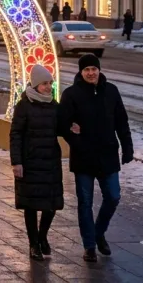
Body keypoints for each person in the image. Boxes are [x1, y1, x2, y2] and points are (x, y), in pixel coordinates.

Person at [59, 54, 133, 263]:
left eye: (94, 69)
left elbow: (122, 121)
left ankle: (98, 232)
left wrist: (127, 148)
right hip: (84, 157)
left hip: (108, 154)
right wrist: (76, 139)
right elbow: (63, 124)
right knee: (85, 202)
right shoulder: (71, 94)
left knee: (113, 196)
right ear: (80, 73)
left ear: (99, 70)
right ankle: (89, 246)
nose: (91, 73)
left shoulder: (111, 91)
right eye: (86, 70)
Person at [10, 64, 63, 261]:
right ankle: (33, 243)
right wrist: (17, 162)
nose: (48, 87)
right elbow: (15, 134)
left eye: (50, 83)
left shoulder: (53, 104)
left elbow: (60, 127)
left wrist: (71, 127)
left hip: (50, 162)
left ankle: (43, 237)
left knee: (51, 205)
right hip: (30, 162)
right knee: (31, 206)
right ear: (35, 85)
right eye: (44, 84)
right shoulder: (24, 105)